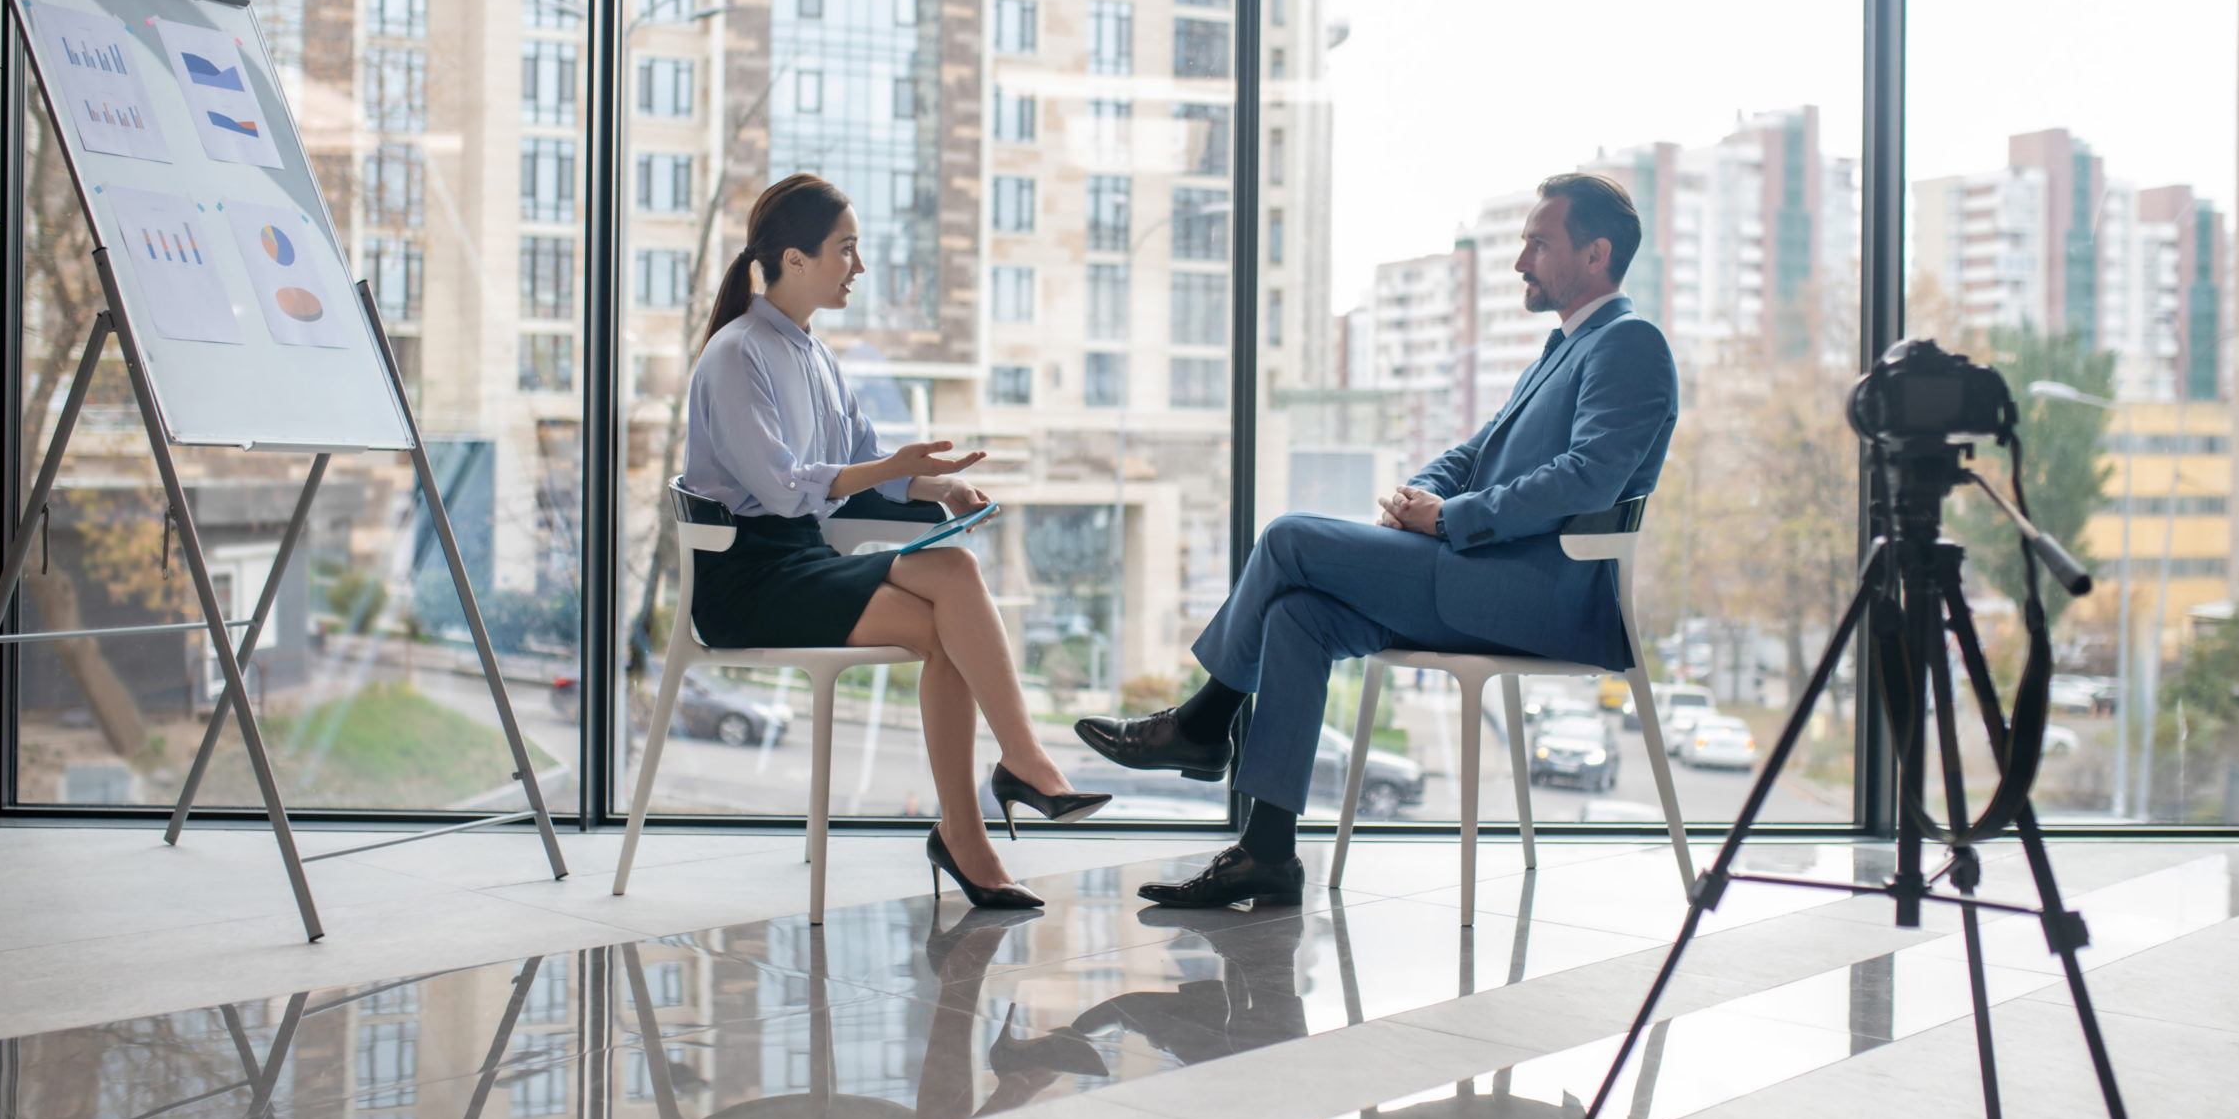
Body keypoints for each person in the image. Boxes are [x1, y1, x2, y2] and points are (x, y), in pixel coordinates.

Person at [1075, 172, 1677, 909]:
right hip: (1480, 575)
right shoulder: (1564, 348)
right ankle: (1267, 851)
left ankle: (1203, 723)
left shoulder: (1631, 344)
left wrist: (1450, 521)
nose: (1521, 260)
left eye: (1537, 242)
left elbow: (1586, 479)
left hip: (1537, 594)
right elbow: (1475, 452)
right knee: (1298, 613)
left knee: (1289, 537)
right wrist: (1418, 498)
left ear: (1596, 255)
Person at [683, 174, 1109, 910]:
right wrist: (892, 466)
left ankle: (982, 815)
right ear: (795, 258)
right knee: (950, 596)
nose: (859, 266)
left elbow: (863, 473)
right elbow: (787, 487)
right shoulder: (736, 354)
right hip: (746, 580)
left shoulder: (815, 356)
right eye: (846, 250)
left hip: (803, 563)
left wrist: (934, 486)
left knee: (952, 584)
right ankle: (1012, 778)